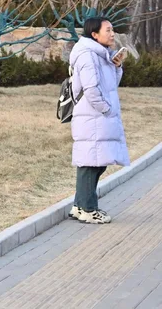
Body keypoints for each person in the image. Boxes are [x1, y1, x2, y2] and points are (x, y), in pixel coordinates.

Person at [68, 17, 130, 225]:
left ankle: (79, 205)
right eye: (108, 30)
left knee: (95, 163)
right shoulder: (87, 55)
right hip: (92, 117)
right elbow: (92, 90)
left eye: (113, 30)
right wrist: (107, 109)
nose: (112, 34)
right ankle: (88, 209)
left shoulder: (100, 54)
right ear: (94, 34)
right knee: (90, 164)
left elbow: (110, 84)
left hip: (97, 118)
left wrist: (117, 66)